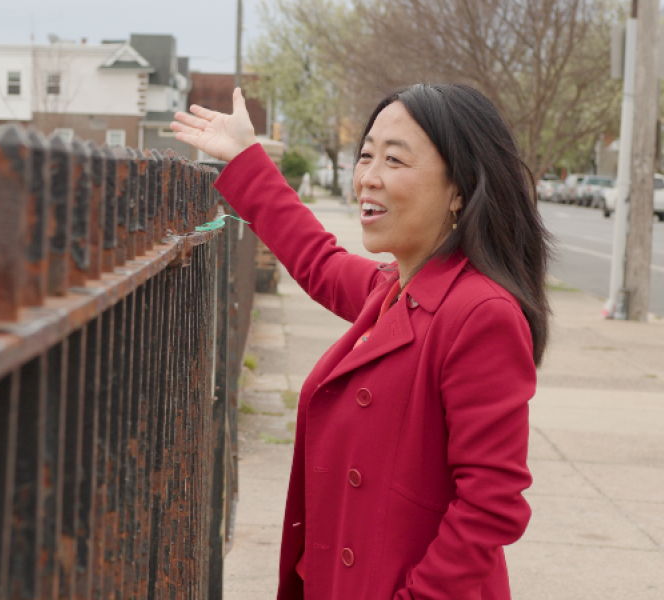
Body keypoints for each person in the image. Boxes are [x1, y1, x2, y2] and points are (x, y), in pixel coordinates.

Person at [172, 83, 550, 600]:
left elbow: (491, 503)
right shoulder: (394, 289)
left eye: (394, 160)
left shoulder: (479, 313)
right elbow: (317, 261)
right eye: (366, 155)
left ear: (459, 189)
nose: (368, 178)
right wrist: (245, 157)